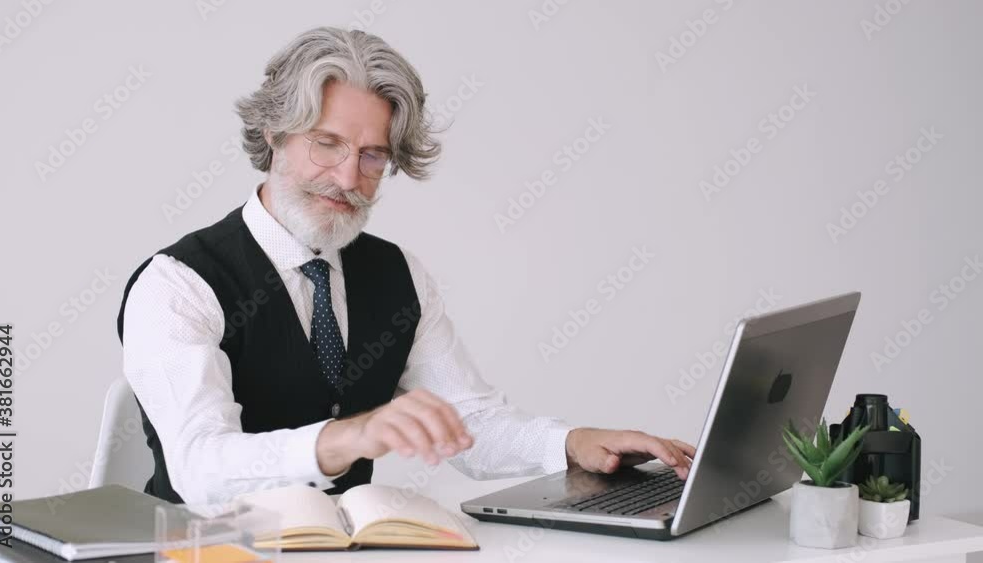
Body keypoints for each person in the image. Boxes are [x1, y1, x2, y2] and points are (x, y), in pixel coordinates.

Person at [117, 26, 695, 505]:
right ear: (274, 134)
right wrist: (347, 437)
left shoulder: (398, 275)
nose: (349, 178)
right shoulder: (177, 284)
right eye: (326, 143)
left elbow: (467, 422)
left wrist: (572, 443)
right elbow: (200, 467)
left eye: (372, 156)